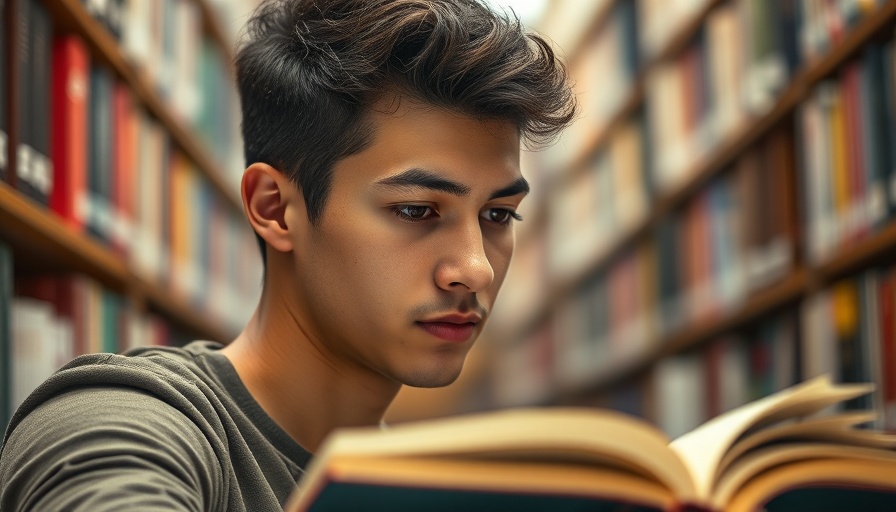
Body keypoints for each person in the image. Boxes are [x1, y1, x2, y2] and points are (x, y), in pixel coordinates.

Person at [0, 0, 575, 509]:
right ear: (275, 208)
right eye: (417, 211)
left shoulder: (417, 484)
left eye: (498, 215)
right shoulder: (127, 419)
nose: (474, 269)